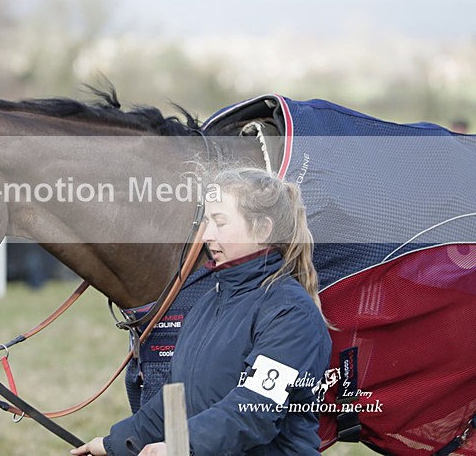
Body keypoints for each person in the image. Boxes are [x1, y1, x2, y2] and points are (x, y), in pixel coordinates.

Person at [72, 167, 332, 455]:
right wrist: (113, 445)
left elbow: (256, 409)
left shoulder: (291, 313)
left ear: (263, 229)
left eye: (219, 222)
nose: (206, 234)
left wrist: (182, 446)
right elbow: (172, 401)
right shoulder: (207, 302)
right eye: (206, 221)